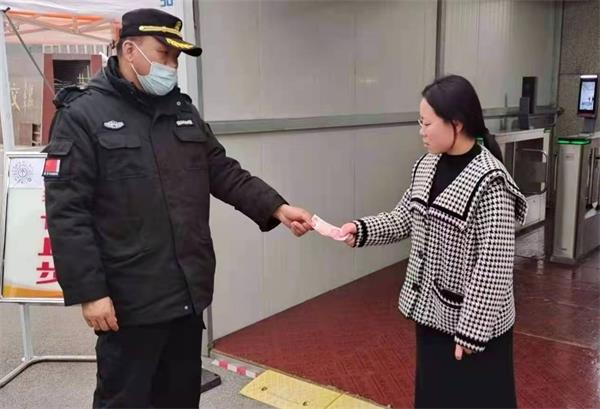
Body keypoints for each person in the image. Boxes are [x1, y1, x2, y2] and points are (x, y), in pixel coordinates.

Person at [42, 8, 313, 409]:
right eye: (164, 54)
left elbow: (222, 171)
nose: (171, 66)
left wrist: (276, 207)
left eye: (176, 58)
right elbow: (67, 212)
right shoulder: (83, 116)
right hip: (129, 299)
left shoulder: (182, 111)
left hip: (186, 290)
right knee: (125, 400)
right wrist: (90, 292)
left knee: (180, 398)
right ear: (129, 50)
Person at [339, 75, 527, 408]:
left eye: (427, 124)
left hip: (475, 330)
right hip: (433, 316)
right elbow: (404, 218)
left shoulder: (491, 182)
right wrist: (361, 229)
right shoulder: (426, 166)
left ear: (456, 123)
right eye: (419, 122)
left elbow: (493, 266)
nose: (421, 131)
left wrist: (471, 333)